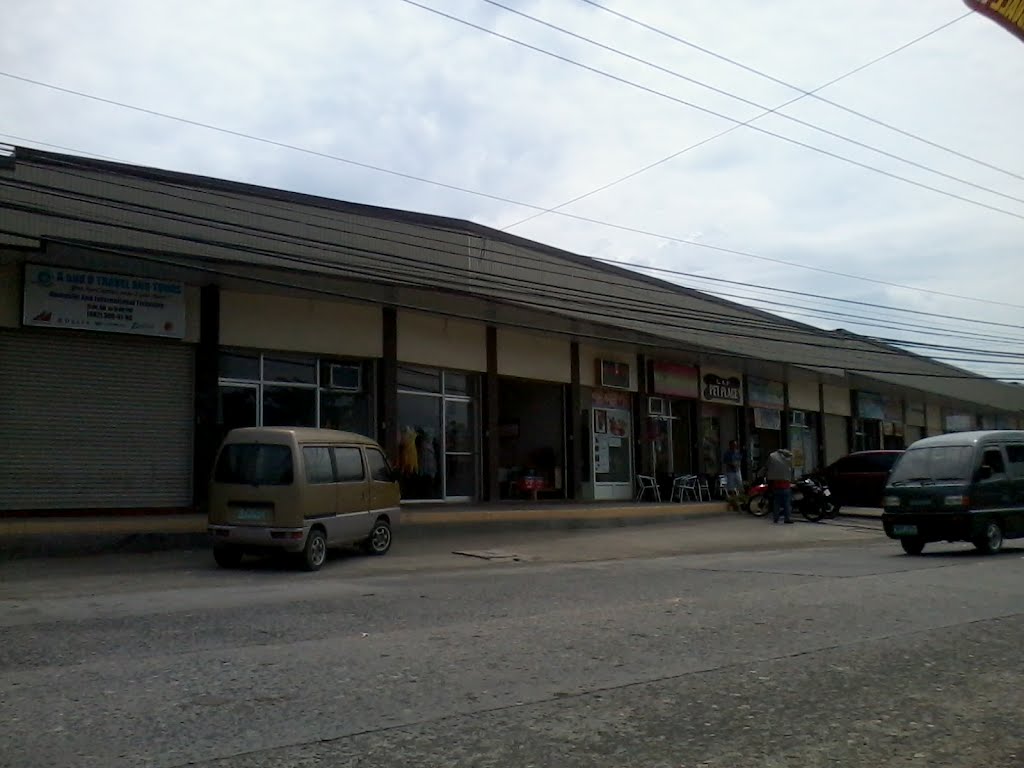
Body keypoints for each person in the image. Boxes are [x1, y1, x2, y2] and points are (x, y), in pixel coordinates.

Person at [764, 448, 794, 524]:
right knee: (787, 503)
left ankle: (776, 518)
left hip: (777, 485)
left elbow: (766, 467)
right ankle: (787, 518)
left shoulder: (773, 458)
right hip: (786, 485)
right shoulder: (787, 460)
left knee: (776, 503)